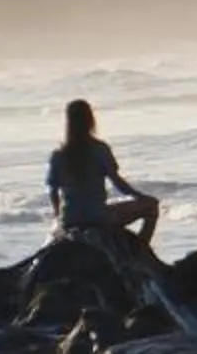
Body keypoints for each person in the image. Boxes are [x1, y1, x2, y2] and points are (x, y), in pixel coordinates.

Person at [47, 98, 159, 248]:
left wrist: (58, 215)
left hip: (70, 219)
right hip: (98, 216)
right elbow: (117, 182)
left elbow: (52, 190)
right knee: (151, 206)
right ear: (90, 120)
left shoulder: (58, 155)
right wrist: (139, 196)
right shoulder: (99, 149)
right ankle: (140, 249)